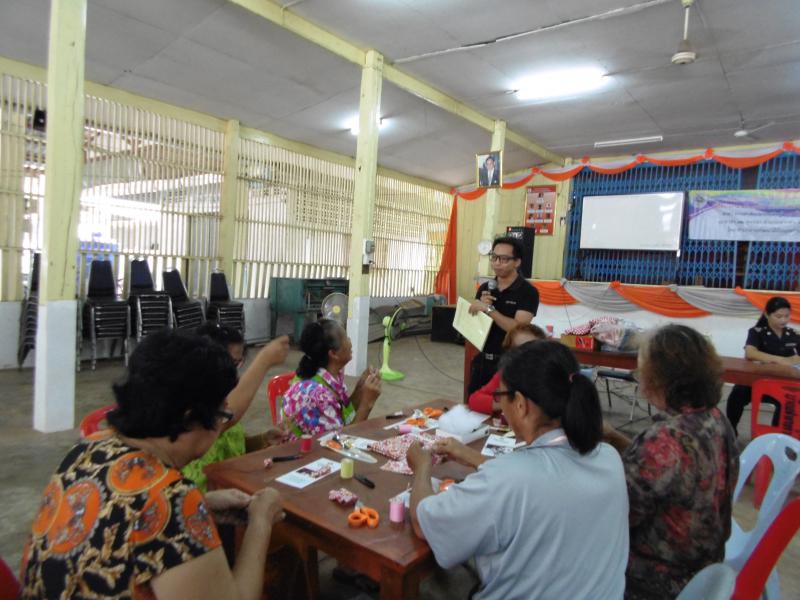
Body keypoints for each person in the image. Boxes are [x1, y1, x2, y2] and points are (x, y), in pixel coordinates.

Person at [20, 329, 285, 600]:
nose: (222, 425)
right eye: (221, 415)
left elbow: (122, 518)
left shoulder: (88, 449)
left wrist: (203, 505)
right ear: (190, 418)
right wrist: (260, 522)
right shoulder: (170, 499)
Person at [408, 341, 629, 600]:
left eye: (501, 397)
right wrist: (468, 455)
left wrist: (421, 468)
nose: (501, 406)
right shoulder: (609, 458)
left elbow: (424, 523)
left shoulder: (510, 478)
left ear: (521, 404)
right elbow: (540, 481)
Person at [603, 324, 739, 599]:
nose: (639, 381)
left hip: (658, 579)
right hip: (706, 567)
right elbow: (672, 474)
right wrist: (616, 438)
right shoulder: (715, 419)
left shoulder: (665, 439)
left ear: (660, 378)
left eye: (640, 371)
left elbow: (616, 516)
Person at [182, 322, 290, 491]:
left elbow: (232, 443)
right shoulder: (194, 405)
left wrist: (263, 439)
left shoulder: (224, 399)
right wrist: (264, 360)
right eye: (230, 363)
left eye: (238, 363)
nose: (234, 373)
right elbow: (225, 419)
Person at [281, 318, 381, 439]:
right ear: (333, 354)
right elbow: (340, 443)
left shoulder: (330, 375)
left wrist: (361, 389)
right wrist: (367, 403)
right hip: (310, 450)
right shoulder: (317, 395)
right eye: (346, 338)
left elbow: (341, 414)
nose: (350, 341)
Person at [467, 236, 539, 395]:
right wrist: (475, 311)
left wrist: (489, 309)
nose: (497, 263)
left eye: (504, 259)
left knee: (503, 407)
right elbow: (474, 325)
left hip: (510, 364)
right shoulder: (485, 288)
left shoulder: (528, 292)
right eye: (494, 257)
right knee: (474, 403)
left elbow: (518, 329)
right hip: (483, 361)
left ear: (517, 262)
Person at [725, 296, 799, 436]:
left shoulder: (793, 334)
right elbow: (750, 352)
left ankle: (777, 436)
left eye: (787, 316)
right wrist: (781, 360)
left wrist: (793, 360)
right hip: (756, 382)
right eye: (778, 316)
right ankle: (731, 431)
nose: (783, 320)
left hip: (781, 383)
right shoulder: (757, 332)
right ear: (767, 314)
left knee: (788, 401)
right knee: (737, 394)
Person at [468, 323, 546, 414]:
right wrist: (507, 404)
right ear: (509, 353)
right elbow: (474, 399)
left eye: (533, 350)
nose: (526, 356)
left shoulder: (546, 378)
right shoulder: (505, 374)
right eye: (519, 349)